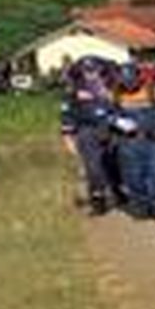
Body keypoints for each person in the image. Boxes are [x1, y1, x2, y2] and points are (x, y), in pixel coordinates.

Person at [112, 60, 155, 221]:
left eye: (131, 81)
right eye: (125, 82)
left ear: (139, 77)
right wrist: (117, 121)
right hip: (128, 142)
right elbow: (107, 114)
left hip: (154, 142)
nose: (129, 85)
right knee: (133, 178)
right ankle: (141, 208)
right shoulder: (116, 94)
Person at [60, 56, 119, 215]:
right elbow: (67, 114)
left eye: (94, 70)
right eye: (87, 70)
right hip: (87, 131)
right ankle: (97, 201)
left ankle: (118, 192)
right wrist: (67, 137)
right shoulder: (74, 89)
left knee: (113, 164)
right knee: (93, 168)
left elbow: (120, 108)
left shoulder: (110, 86)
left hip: (110, 130)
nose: (91, 74)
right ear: (81, 72)